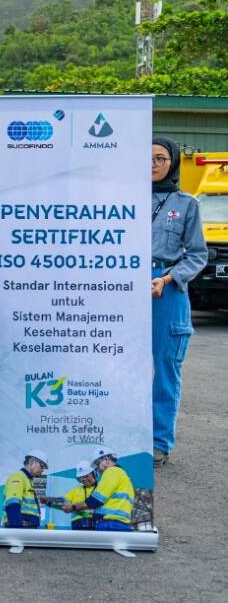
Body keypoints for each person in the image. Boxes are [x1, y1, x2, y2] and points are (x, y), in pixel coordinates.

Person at [150, 138, 207, 467]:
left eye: (160, 158)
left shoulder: (187, 204)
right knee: (120, 365)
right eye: (148, 159)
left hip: (167, 288)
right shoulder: (123, 200)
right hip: (124, 285)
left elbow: (197, 254)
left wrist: (168, 278)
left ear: (172, 162)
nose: (153, 164)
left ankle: (158, 441)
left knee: (165, 367)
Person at [2, 450, 47, 529]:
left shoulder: (27, 481)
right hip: (20, 530)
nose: (42, 470)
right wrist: (17, 529)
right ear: (32, 461)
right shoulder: (18, 476)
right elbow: (12, 504)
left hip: (26, 530)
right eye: (42, 466)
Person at [60, 461, 97, 530]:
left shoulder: (101, 489)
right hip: (77, 524)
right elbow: (62, 502)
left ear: (94, 474)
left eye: (86, 476)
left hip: (97, 523)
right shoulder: (75, 491)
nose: (84, 479)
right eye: (81, 477)